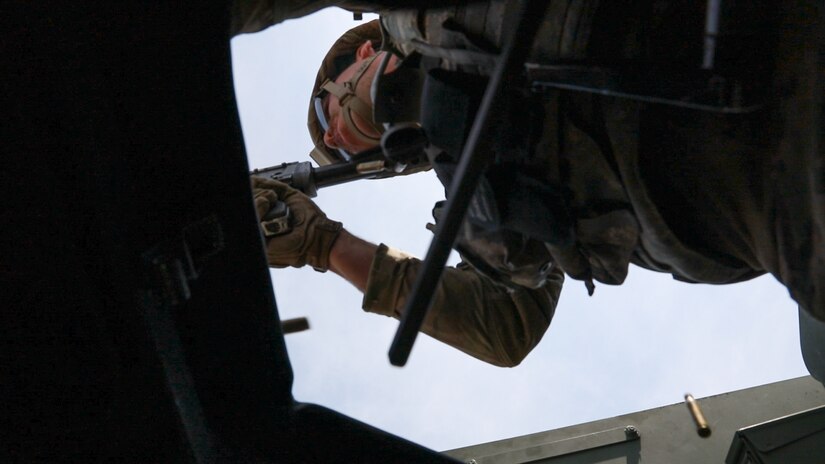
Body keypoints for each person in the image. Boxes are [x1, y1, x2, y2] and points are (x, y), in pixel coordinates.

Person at [246, 3, 825, 378]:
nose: (341, 133)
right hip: (780, 212)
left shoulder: (417, 16)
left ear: (360, 54)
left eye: (327, 107)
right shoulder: (486, 186)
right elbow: (504, 328)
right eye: (341, 151)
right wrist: (325, 246)